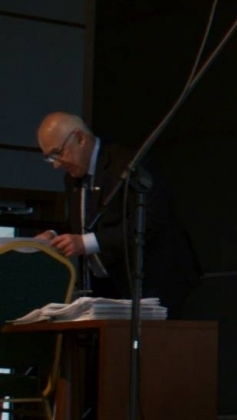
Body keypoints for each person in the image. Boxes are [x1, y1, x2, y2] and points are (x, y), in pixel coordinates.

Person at [35, 112, 203, 315]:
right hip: (108, 287)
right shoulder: (73, 176)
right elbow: (82, 223)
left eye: (57, 152)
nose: (55, 164)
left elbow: (151, 220)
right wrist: (53, 236)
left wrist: (86, 243)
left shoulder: (128, 163)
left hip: (155, 283)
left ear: (80, 138)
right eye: (49, 158)